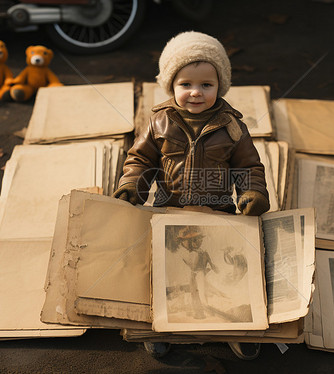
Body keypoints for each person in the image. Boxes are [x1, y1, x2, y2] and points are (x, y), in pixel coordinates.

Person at [113, 31, 269, 360]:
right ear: (171, 86)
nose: (195, 92)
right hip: (170, 210)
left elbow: (248, 166)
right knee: (167, 274)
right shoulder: (159, 123)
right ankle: (162, 326)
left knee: (226, 277)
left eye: (206, 85)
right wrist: (134, 186)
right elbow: (140, 160)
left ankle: (238, 328)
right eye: (186, 84)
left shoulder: (232, 127)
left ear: (220, 86)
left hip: (219, 211)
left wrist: (253, 191)